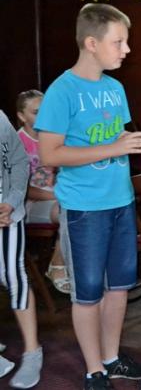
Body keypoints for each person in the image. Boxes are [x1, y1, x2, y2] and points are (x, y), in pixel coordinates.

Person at [35, 3, 141, 390]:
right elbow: (50, 154)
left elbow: (112, 137)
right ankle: (93, 371)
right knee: (87, 293)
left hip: (121, 200)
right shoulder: (62, 91)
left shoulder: (115, 89)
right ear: (91, 43)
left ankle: (111, 358)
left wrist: (130, 140)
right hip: (84, 208)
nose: (126, 50)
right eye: (118, 42)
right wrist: (114, 148)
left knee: (119, 287)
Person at [0, 109, 43, 389]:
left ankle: (32, 351)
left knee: (13, 276)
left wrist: (12, 201)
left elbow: (18, 160)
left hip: (5, 211)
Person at [16, 89, 69, 294]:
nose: (44, 115)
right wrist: (56, 195)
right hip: (30, 205)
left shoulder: (54, 138)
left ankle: (68, 264)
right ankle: (58, 265)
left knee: (81, 206)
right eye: (36, 112)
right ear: (22, 116)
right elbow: (20, 190)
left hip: (58, 199)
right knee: (69, 208)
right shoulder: (16, 143)